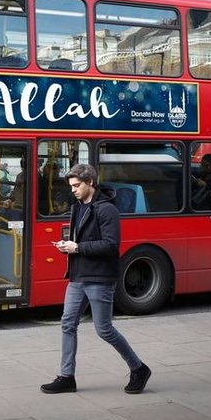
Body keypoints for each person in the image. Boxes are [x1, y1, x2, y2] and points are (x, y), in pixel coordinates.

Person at [41, 163, 151, 395]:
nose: (73, 190)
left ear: (90, 182)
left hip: (100, 278)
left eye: (77, 185)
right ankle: (66, 376)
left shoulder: (107, 210)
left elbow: (111, 246)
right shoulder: (79, 207)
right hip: (78, 275)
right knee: (67, 323)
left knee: (104, 329)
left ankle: (138, 368)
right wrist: (67, 247)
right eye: (71, 186)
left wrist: (77, 247)